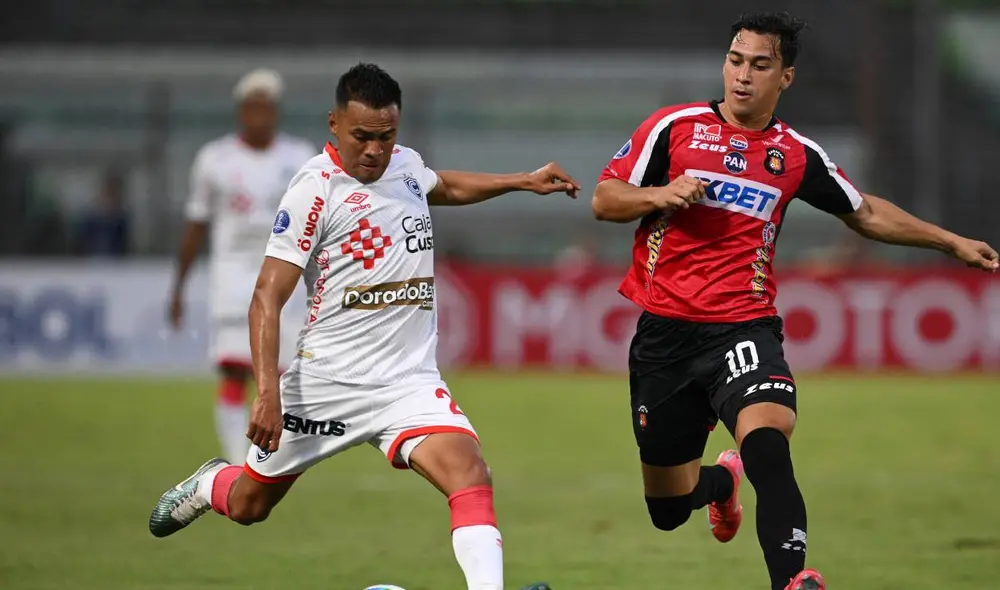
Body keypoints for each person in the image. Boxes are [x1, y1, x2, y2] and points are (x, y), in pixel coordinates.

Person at [591, 11, 998, 590]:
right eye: (735, 61)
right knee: (668, 508)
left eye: (760, 65)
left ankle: (792, 579)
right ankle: (720, 487)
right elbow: (605, 199)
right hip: (665, 335)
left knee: (767, 439)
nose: (742, 76)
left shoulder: (795, 154)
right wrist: (662, 192)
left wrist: (950, 240)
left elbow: (865, 211)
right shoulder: (674, 127)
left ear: (786, 77)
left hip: (744, 327)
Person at [149, 63, 580, 590]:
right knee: (248, 506)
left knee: (470, 474)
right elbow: (267, 295)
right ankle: (211, 482)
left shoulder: (404, 165)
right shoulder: (314, 189)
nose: (374, 150)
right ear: (334, 124)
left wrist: (522, 181)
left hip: (407, 382)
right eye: (362, 137)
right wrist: (266, 392)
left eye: (386, 136)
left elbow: (442, 186)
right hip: (326, 383)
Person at [168, 68, 315, 465]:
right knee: (235, 370)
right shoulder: (214, 160)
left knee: (285, 377)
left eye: (268, 107)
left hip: (286, 275)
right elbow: (195, 226)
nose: (261, 115)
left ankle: (270, 459)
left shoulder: (300, 157)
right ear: (241, 110)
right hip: (233, 278)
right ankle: (238, 461)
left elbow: (318, 223)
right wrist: (178, 288)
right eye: (253, 107)